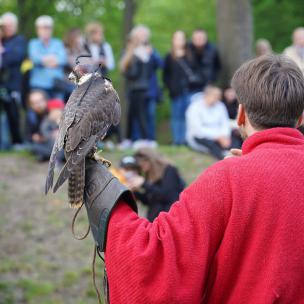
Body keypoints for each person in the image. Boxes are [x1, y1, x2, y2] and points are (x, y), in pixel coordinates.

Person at [82, 54, 304, 303]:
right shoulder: (233, 176)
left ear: (240, 115)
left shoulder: (226, 179)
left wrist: (108, 202)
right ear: (301, 118)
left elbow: (155, 261)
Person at [127, 148, 185, 221]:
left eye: (141, 164)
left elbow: (168, 196)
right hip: (154, 221)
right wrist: (134, 192)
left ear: (149, 160)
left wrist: (144, 183)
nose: (140, 167)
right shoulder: (150, 174)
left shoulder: (169, 170)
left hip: (169, 220)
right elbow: (149, 200)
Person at [119, 26, 153, 145]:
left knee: (141, 114)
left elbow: (136, 73)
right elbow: (127, 73)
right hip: (132, 88)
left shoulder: (142, 54)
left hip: (141, 88)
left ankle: (145, 139)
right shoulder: (129, 54)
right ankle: (127, 139)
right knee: (131, 114)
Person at [0, 12, 27, 146]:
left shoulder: (20, 40)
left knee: (14, 112)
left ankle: (17, 141)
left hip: (14, 83)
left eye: (11, 25)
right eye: (6, 25)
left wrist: (4, 55)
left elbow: (17, 56)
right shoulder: (2, 40)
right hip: (2, 83)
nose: (9, 27)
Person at [186, 86, 231, 159]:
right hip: (201, 136)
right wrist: (217, 137)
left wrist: (225, 135)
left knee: (235, 140)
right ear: (207, 95)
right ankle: (223, 159)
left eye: (218, 97)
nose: (217, 99)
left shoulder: (220, 106)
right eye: (215, 96)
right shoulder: (194, 108)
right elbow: (197, 130)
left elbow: (225, 123)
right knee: (213, 145)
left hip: (220, 135)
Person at [28, 15, 67, 98]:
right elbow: (35, 59)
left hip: (57, 84)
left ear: (52, 29)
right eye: (42, 28)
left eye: (48, 27)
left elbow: (63, 60)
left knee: (58, 110)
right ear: (37, 30)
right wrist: (53, 59)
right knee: (37, 109)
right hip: (38, 84)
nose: (45, 30)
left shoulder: (58, 43)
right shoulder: (33, 43)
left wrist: (44, 60)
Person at [163, 30, 191, 145]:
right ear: (173, 40)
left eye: (181, 38)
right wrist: (170, 87)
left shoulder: (190, 55)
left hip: (188, 90)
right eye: (177, 38)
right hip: (175, 92)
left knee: (187, 116)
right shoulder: (169, 56)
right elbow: (166, 75)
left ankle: (185, 140)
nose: (179, 41)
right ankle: (177, 140)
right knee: (176, 116)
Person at [187, 28, 221, 95]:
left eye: (201, 38)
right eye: (197, 38)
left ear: (206, 38)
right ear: (193, 39)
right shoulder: (187, 50)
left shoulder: (212, 50)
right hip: (190, 87)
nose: (199, 40)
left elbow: (217, 66)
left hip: (207, 86)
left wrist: (212, 81)